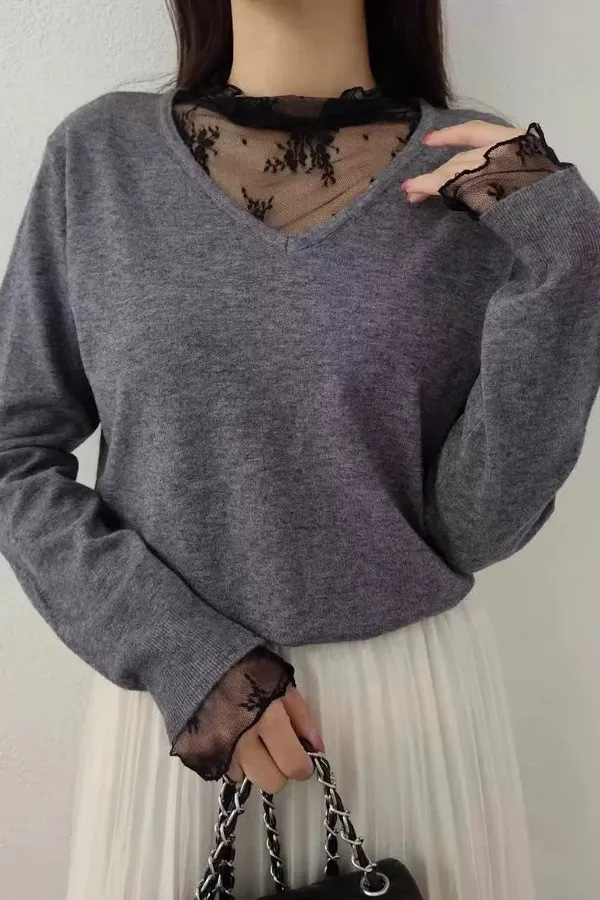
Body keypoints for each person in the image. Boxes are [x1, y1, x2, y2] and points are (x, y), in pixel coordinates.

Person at [1, 1, 600, 898]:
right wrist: (182, 656)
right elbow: (13, 449)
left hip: (403, 715)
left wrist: (566, 257)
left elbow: (476, 526)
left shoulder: (475, 175)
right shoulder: (98, 159)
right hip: (184, 722)